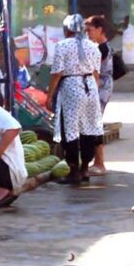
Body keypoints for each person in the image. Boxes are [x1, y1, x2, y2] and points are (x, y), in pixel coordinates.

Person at [47, 14, 104, 184]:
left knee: (69, 129)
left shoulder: (62, 46)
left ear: (67, 30)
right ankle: (85, 168)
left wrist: (50, 95)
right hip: (90, 87)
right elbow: (96, 73)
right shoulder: (93, 46)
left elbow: (57, 73)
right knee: (89, 128)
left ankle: (73, 171)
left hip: (71, 87)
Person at [85, 15, 112, 176]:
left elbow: (94, 71)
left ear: (100, 30)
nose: (88, 33)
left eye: (90, 30)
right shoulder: (101, 47)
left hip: (100, 90)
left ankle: (99, 162)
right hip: (101, 89)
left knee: (95, 124)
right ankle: (97, 161)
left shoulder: (101, 49)